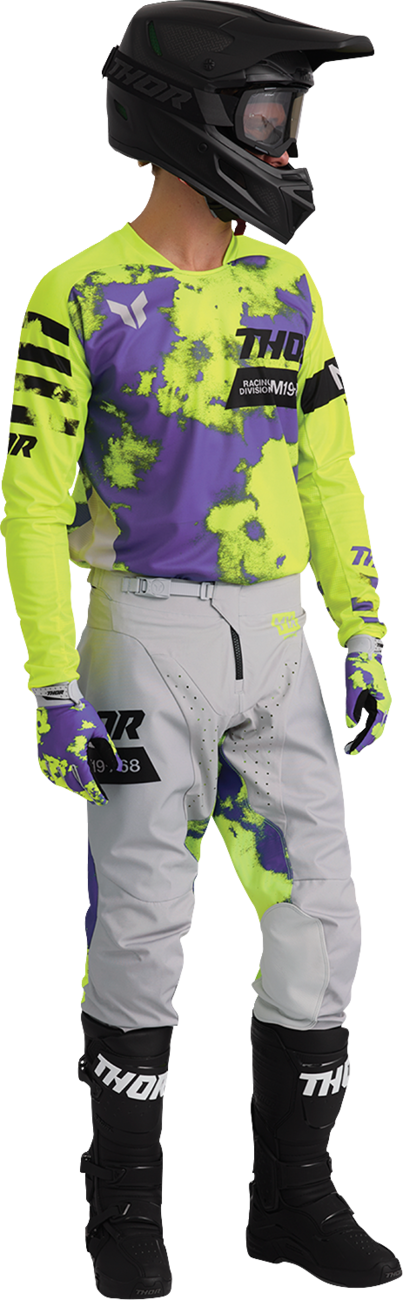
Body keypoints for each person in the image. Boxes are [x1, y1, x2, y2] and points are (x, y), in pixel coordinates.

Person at [1, 3, 401, 1296]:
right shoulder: (77, 297)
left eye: (293, 116)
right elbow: (29, 501)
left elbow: (329, 469)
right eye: (266, 113)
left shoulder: (288, 290)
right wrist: (51, 685)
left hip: (277, 643)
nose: (283, 142)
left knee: (320, 920)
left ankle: (294, 1195)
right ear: (186, 115)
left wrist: (363, 630)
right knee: (138, 923)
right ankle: (122, 1204)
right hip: (142, 645)